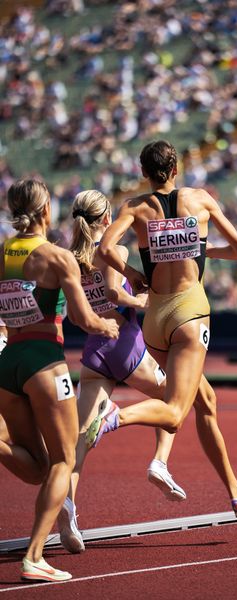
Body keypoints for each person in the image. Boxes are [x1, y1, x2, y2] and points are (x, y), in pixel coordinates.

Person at [89, 139, 237, 518]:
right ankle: (114, 416)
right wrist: (202, 251)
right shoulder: (200, 199)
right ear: (175, 170)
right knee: (174, 413)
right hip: (189, 313)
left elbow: (104, 248)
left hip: (156, 318)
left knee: (206, 401)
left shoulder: (135, 207)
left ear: (143, 173)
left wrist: (133, 273)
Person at [0, 179, 118, 582]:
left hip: (8, 362)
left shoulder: (2, 252)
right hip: (45, 364)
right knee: (65, 461)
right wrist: (108, 326)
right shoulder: (56, 258)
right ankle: (34, 556)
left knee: (37, 469)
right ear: (46, 209)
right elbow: (85, 319)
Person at [58, 189, 186, 554]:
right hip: (125, 344)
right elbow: (114, 293)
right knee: (174, 400)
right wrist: (143, 301)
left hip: (94, 351)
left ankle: (68, 508)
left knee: (81, 437)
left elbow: (71, 312)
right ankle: (160, 462)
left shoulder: (69, 258)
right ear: (106, 220)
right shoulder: (116, 252)